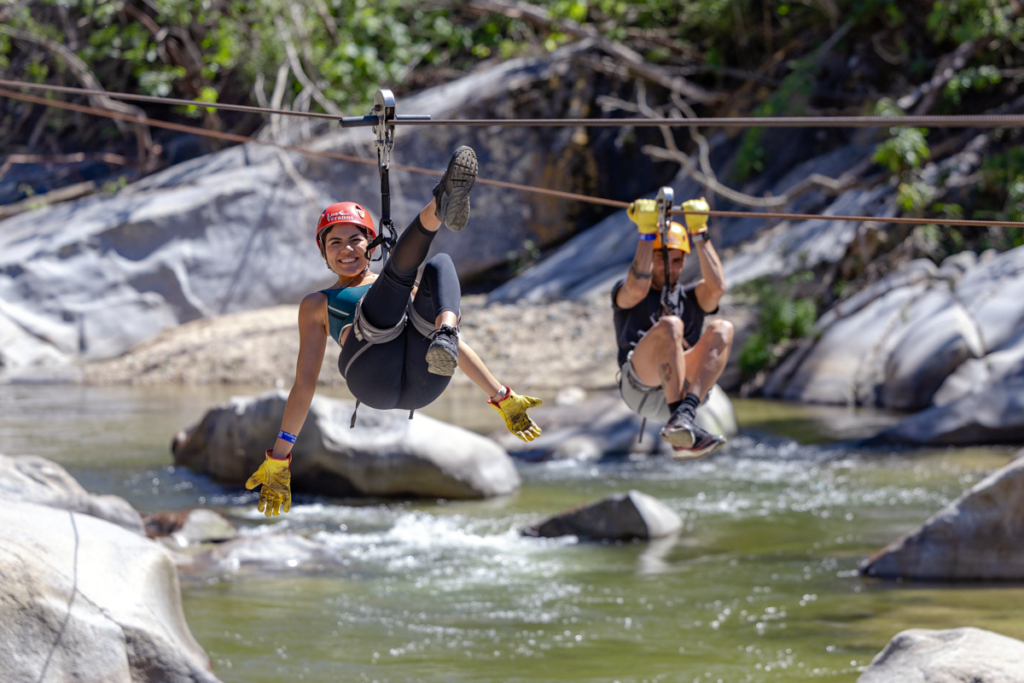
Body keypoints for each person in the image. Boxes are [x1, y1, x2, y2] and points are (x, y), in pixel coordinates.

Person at [246, 146, 542, 516]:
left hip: (424, 382)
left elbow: (456, 348)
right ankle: (440, 204)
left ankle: (444, 327)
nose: (346, 249)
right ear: (323, 254)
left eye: (355, 239)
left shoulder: (395, 284)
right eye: (334, 243)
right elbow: (305, 384)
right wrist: (280, 457)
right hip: (371, 375)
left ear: (370, 245)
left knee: (438, 266)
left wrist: (503, 397)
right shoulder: (317, 303)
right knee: (393, 286)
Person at [612, 196, 734, 460]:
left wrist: (699, 232)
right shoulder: (628, 293)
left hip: (683, 392)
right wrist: (646, 234)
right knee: (670, 326)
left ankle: (684, 415)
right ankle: (680, 421)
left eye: (677, 260)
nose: (670, 266)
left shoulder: (691, 298)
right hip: (641, 386)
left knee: (723, 329)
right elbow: (637, 288)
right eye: (661, 258)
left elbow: (717, 288)